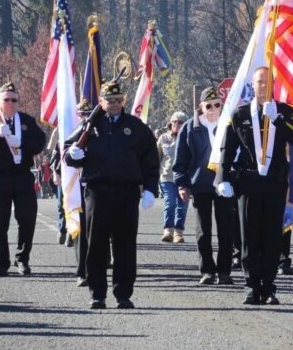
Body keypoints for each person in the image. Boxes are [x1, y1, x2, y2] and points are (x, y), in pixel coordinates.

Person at [64, 79, 159, 309]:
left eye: (118, 100)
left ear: (123, 101)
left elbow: (150, 160)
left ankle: (123, 293)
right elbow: (67, 152)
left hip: (127, 192)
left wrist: (149, 189)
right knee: (96, 244)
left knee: (125, 245)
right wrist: (73, 154)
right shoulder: (91, 125)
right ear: (102, 102)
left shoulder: (135, 127)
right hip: (97, 192)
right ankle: (97, 293)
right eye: (109, 100)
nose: (114, 104)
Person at [220, 66, 293, 306]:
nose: (263, 86)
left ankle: (269, 286)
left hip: (275, 182)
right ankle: (251, 285)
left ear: (273, 84)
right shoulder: (240, 114)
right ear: (252, 85)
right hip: (248, 182)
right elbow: (228, 148)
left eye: (267, 82)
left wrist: (276, 117)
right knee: (249, 236)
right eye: (259, 82)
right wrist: (223, 177)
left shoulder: (285, 111)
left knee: (272, 237)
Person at [0, 82, 46, 277]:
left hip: (23, 176)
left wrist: (22, 142)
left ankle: (22, 259)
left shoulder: (26, 120)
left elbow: (40, 141)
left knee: (27, 219)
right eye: (6, 99)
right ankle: (1, 262)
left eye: (14, 100)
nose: (10, 103)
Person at [174, 88, 235, 286]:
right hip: (200, 184)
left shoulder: (228, 125)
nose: (213, 109)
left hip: (225, 183)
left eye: (217, 104)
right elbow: (180, 160)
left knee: (226, 229)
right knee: (203, 230)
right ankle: (207, 270)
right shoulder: (190, 127)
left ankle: (224, 271)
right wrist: (182, 184)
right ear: (200, 107)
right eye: (208, 105)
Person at [51, 99, 94, 286]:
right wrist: (63, 167)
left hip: (94, 185)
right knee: (80, 229)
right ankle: (82, 271)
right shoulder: (68, 130)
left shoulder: (97, 128)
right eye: (82, 113)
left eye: (88, 113)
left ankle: (101, 263)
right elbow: (56, 157)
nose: (84, 116)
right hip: (74, 186)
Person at [158, 111, 189, 243]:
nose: (176, 124)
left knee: (182, 206)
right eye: (174, 121)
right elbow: (157, 157)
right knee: (170, 202)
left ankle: (178, 232)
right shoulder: (163, 138)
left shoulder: (189, 137)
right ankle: (168, 230)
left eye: (180, 122)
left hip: (184, 178)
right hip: (167, 177)